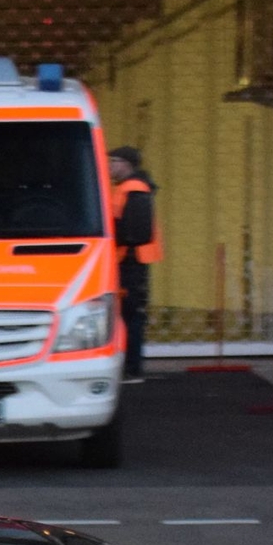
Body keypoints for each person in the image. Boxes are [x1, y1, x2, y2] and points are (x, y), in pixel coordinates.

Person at [107, 146, 158, 381]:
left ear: (126, 163)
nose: (109, 166)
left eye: (113, 161)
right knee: (129, 315)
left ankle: (132, 368)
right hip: (129, 260)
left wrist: (120, 244)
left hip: (131, 262)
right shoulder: (128, 189)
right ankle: (129, 366)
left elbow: (137, 231)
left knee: (131, 315)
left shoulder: (135, 190)